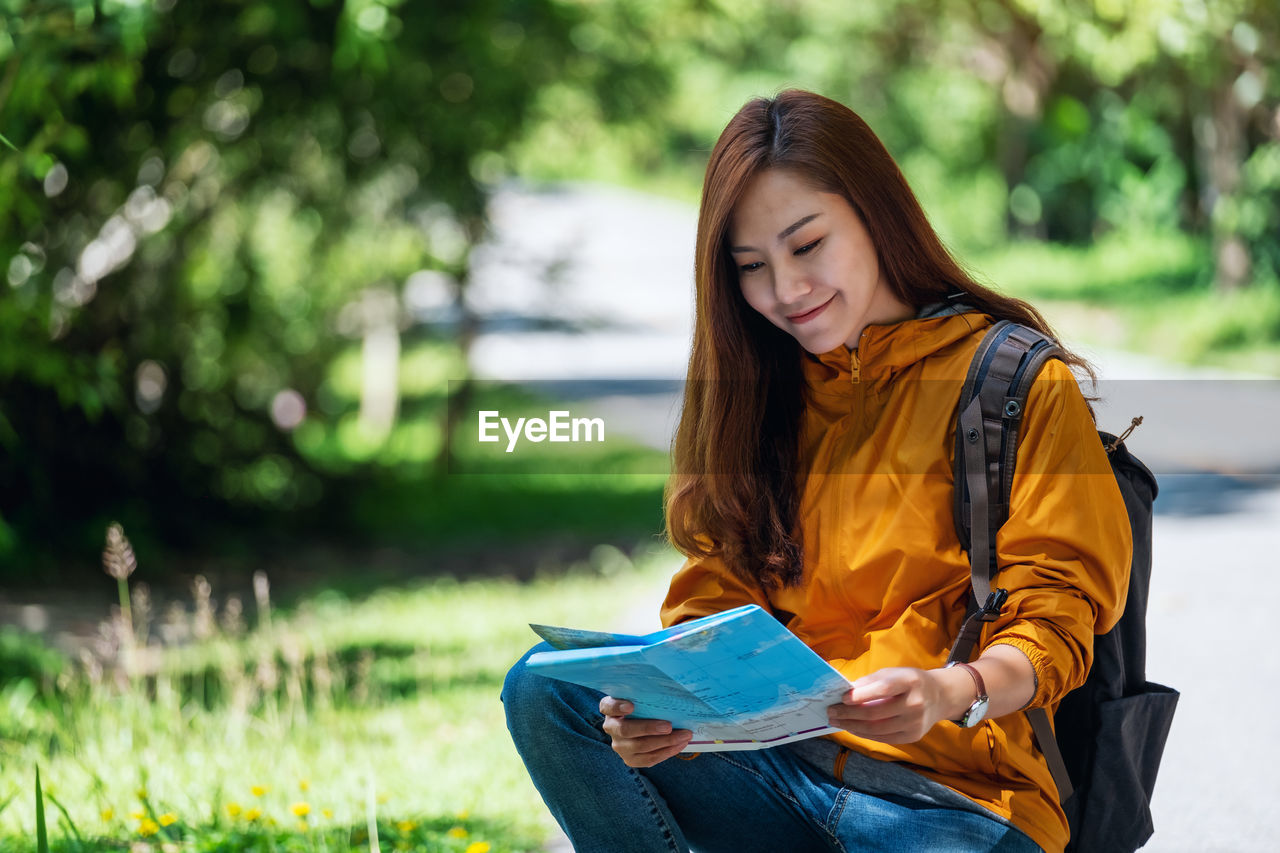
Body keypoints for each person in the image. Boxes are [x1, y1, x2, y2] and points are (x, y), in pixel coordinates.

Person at [502, 89, 1131, 853]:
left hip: (954, 804)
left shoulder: (1017, 382)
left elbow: (1055, 622)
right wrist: (660, 716)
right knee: (545, 688)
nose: (787, 290)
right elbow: (712, 611)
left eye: (807, 245)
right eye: (752, 267)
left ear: (874, 211)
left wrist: (947, 691)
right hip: (774, 776)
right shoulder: (758, 396)